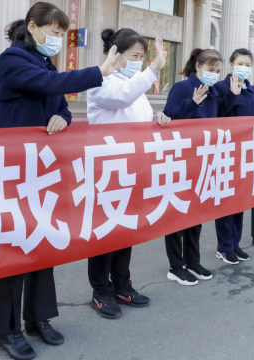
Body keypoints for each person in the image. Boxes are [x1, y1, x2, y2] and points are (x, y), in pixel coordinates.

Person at [0, 3, 120, 359]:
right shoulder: (11, 60)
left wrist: (63, 118)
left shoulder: (44, 62)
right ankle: (6, 329)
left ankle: (38, 318)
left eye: (63, 33)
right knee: (15, 249)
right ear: (33, 27)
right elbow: (50, 84)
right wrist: (99, 70)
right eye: (56, 32)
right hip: (16, 169)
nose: (59, 39)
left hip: (45, 167)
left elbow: (59, 102)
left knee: (43, 243)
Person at [85, 28, 171, 319]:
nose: (139, 60)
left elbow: (136, 113)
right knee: (106, 232)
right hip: (107, 170)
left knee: (125, 230)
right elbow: (121, 100)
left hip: (132, 169)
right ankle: (100, 291)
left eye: (142, 56)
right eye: (134, 55)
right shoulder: (102, 82)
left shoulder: (133, 84)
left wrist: (155, 117)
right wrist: (153, 69)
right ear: (115, 54)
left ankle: (122, 284)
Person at [163, 48, 239, 284]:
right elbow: (169, 117)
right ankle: (176, 266)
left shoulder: (215, 90)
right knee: (177, 214)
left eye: (218, 71)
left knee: (196, 212)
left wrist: (233, 96)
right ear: (198, 67)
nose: (214, 74)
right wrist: (191, 103)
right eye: (210, 69)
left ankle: (192, 261)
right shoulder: (182, 88)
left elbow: (218, 117)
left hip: (204, 159)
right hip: (181, 159)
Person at [213, 48, 254, 264]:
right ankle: (224, 246)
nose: (244, 67)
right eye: (240, 63)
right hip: (225, 152)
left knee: (240, 199)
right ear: (231, 65)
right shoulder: (220, 87)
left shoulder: (253, 90)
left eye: (248, 64)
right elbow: (217, 114)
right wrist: (232, 95)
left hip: (245, 152)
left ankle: (236, 243)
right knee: (226, 200)